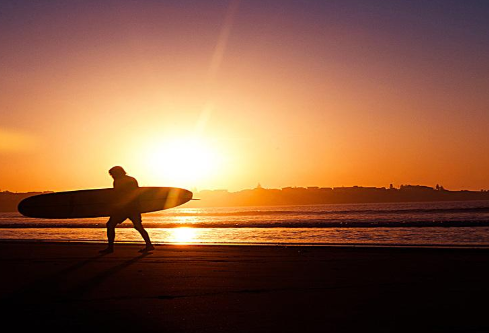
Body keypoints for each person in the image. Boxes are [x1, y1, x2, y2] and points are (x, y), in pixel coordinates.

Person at [100, 166, 154, 253]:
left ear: (118, 173)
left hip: (125, 208)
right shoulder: (131, 179)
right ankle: (149, 245)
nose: (112, 176)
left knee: (110, 225)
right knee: (138, 226)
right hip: (134, 208)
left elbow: (119, 195)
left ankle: (110, 248)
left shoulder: (119, 181)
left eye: (113, 174)